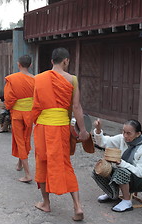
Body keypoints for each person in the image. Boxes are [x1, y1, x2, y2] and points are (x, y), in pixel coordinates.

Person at [32, 47, 89, 221]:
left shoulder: (39, 78)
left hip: (43, 126)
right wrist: (83, 130)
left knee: (42, 162)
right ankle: (77, 206)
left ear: (52, 61)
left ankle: (46, 204)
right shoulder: (72, 80)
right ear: (66, 61)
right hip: (62, 126)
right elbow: (77, 107)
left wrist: (34, 121)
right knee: (64, 164)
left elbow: (36, 105)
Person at [92, 119, 142, 212]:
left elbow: (140, 172)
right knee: (99, 169)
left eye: (129, 133)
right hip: (125, 173)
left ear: (138, 134)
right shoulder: (122, 139)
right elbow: (104, 142)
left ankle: (126, 201)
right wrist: (98, 130)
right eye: (124, 132)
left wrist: (121, 163)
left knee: (121, 171)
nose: (125, 136)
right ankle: (112, 193)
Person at [4, 55, 35, 183]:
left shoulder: (12, 79)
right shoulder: (36, 80)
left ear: (18, 64)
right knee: (25, 139)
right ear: (31, 65)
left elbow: (9, 98)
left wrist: (9, 107)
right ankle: (20, 164)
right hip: (30, 113)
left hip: (17, 114)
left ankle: (28, 174)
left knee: (20, 140)